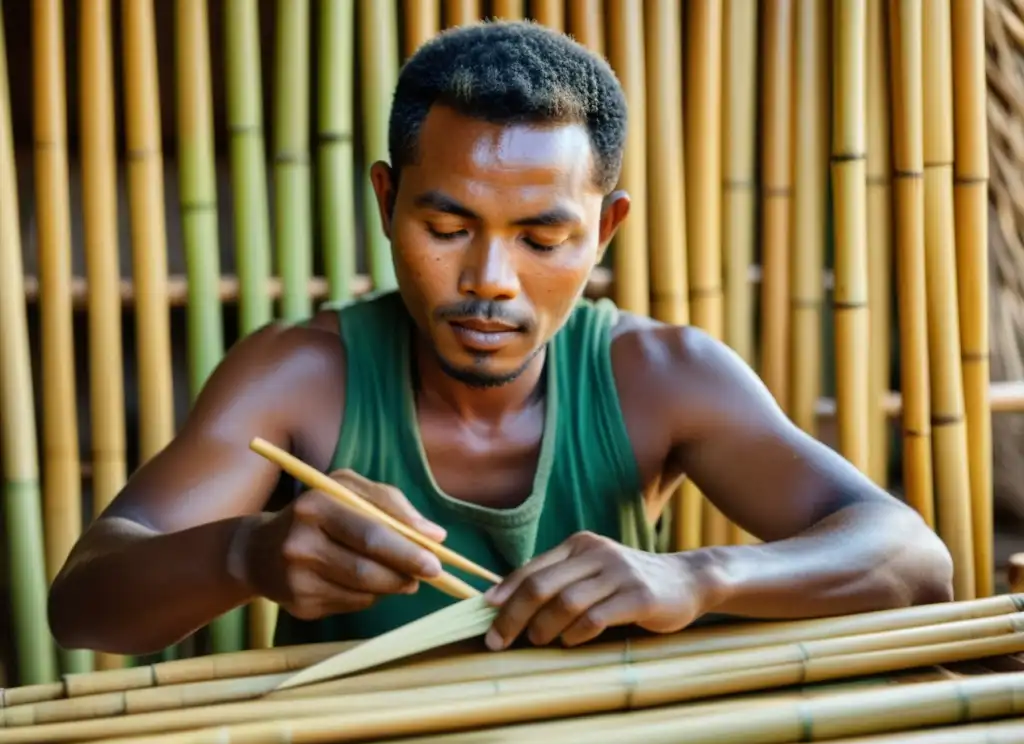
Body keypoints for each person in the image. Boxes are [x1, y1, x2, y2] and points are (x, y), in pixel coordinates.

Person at [48, 20, 952, 657]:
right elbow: (84, 604)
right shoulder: (297, 376)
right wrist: (245, 552)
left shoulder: (660, 378)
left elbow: (912, 560)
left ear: (604, 233)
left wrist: (697, 578)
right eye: (447, 229)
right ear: (386, 203)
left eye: (542, 238)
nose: (490, 280)